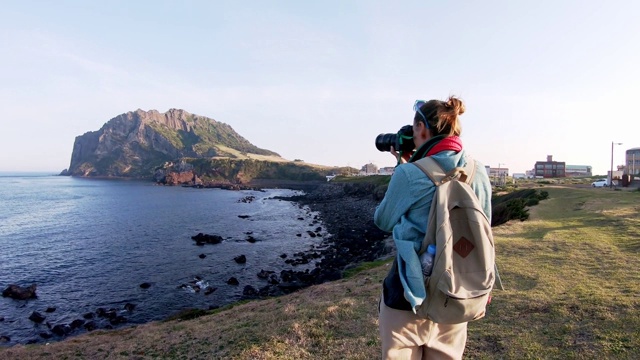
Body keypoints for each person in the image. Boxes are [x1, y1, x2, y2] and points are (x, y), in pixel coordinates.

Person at [374, 96, 492, 360]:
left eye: (414, 128)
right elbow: (484, 230)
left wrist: (403, 168)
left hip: (408, 294)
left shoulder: (409, 173)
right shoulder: (478, 171)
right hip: (457, 289)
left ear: (421, 129)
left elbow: (383, 220)